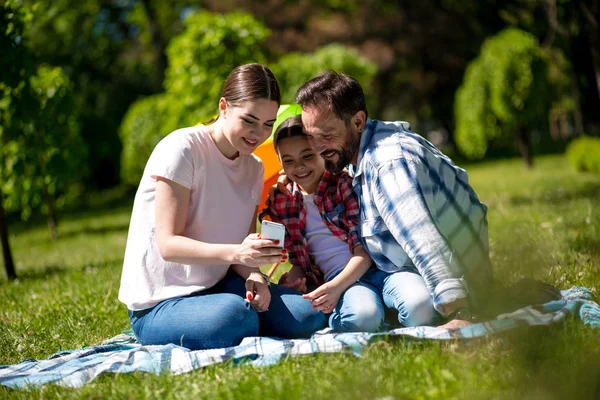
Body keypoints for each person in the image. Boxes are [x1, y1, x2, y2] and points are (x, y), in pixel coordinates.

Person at [118, 63, 326, 351]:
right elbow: (169, 246)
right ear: (224, 107)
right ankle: (235, 318)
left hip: (220, 285)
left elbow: (241, 251)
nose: (258, 134)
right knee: (237, 317)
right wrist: (237, 253)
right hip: (160, 303)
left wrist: (256, 276)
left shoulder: (253, 167)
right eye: (249, 121)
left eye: (268, 124)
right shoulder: (182, 149)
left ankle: (241, 315)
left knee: (308, 314)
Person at [277, 71, 495, 329]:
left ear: (358, 122)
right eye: (312, 136)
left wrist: (461, 312)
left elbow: (424, 240)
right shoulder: (359, 152)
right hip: (395, 275)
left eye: (327, 135)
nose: (317, 148)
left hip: (459, 283)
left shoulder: (388, 164)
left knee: (418, 310)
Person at [260, 115, 384, 332]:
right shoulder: (283, 202)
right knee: (364, 317)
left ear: (321, 150)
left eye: (307, 156)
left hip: (369, 267)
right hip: (330, 280)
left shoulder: (343, 185)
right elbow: (298, 261)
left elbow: (362, 250)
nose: (299, 167)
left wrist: (333, 288)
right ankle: (347, 311)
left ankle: (344, 312)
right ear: (280, 163)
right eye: (288, 161)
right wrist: (293, 283)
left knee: (374, 311)